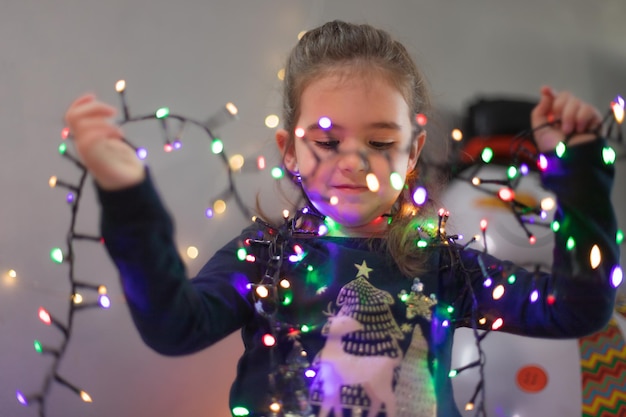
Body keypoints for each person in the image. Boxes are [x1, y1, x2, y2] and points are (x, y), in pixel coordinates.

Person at [64, 20, 619, 417]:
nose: (352, 162)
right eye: (326, 141)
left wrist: (580, 170)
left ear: (413, 149)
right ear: (289, 149)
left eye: (380, 141)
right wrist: (129, 198)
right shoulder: (265, 257)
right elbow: (173, 327)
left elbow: (579, 310)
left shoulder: (444, 265)